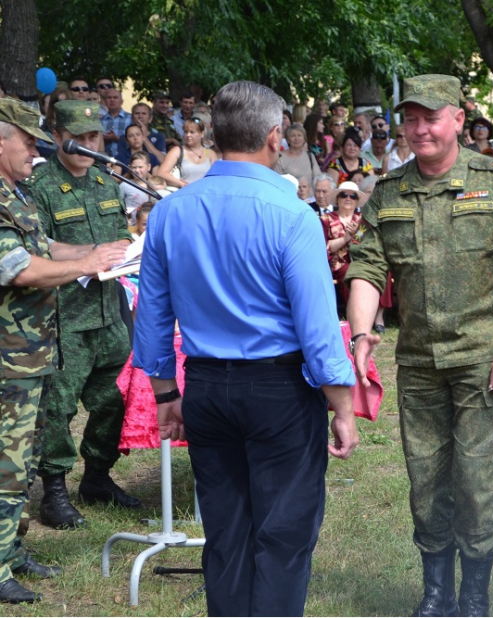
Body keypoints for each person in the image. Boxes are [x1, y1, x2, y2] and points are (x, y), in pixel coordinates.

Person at [132, 80, 358, 617]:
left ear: (214, 135)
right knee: (282, 538)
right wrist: (342, 404)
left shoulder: (170, 212)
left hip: (207, 385)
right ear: (276, 136)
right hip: (277, 389)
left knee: (226, 536)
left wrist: (166, 393)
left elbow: (153, 315)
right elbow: (318, 327)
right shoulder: (292, 214)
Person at [345, 74, 493, 617]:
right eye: (409, 118)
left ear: (459, 119)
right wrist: (361, 333)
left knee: (477, 481)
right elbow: (366, 268)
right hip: (418, 363)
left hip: (482, 361)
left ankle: (474, 596)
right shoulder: (388, 193)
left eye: (430, 117)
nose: (419, 129)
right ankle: (437, 593)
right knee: (426, 480)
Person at [0, 99, 126, 604]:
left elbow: (47, 248)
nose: (38, 150)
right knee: (5, 468)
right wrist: (87, 262)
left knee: (21, 462)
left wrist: (106, 254)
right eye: (28, 141)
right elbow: (18, 268)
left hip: (30, 353)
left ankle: (12, 550)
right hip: (8, 358)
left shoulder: (18, 195)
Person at [20, 100, 140, 530]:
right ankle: (53, 490)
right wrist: (88, 256)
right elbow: (35, 252)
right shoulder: (38, 186)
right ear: (57, 136)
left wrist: (128, 250)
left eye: (96, 138)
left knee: (114, 399)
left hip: (109, 312)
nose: (90, 146)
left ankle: (97, 477)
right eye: (81, 138)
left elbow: (119, 235)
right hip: (64, 316)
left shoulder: (105, 181)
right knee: (60, 406)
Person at [157, 118, 218, 189]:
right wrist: (179, 183)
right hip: (184, 193)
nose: (188, 135)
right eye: (186, 132)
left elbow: (217, 177)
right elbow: (161, 173)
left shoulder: (211, 153)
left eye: (192, 132)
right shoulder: (177, 151)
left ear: (202, 134)